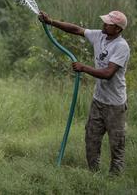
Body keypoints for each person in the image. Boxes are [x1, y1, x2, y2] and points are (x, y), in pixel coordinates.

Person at [38, 10, 130, 175]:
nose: (104, 24)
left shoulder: (121, 47)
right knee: (91, 139)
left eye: (109, 23)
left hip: (115, 105)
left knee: (117, 144)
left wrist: (83, 68)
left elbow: (108, 74)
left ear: (118, 29)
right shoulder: (99, 36)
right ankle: (93, 174)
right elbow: (76, 30)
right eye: (105, 21)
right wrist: (51, 21)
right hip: (98, 101)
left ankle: (115, 178)